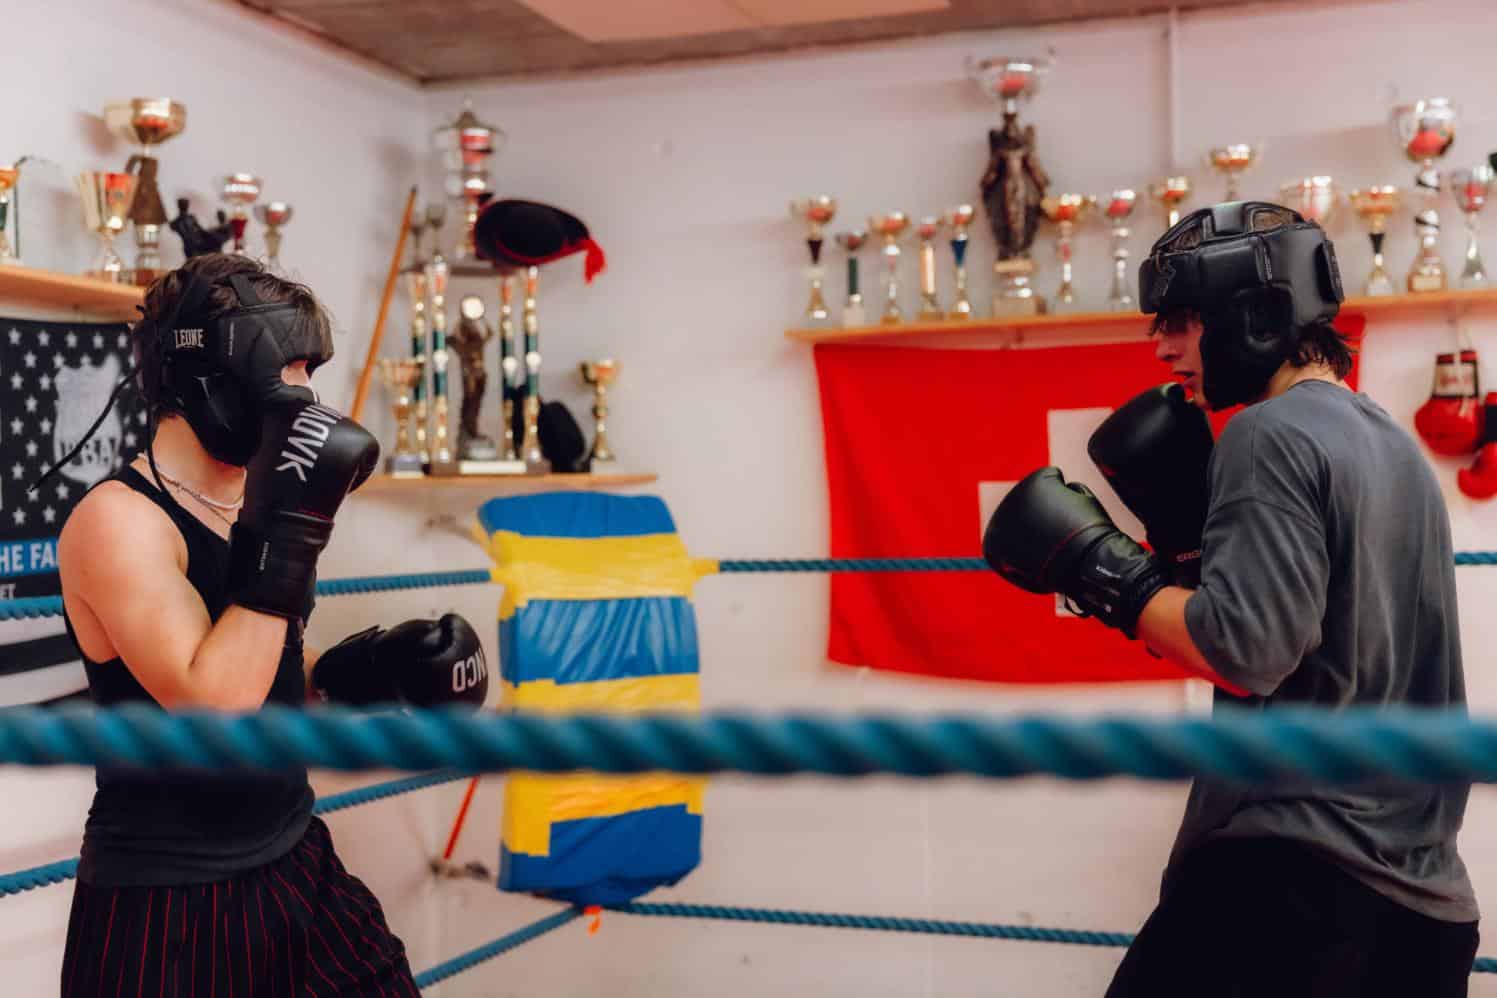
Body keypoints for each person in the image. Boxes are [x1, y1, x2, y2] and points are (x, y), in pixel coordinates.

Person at [982, 202, 1479, 997]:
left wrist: (1095, 567)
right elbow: (1312, 636)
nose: (1161, 345)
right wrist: (1185, 550)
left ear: (1252, 315)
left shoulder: (1268, 434)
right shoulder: (1385, 441)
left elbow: (1245, 651)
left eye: (1180, 318)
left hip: (1292, 889)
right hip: (1422, 912)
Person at [53, 253, 489, 996]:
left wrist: (361, 668)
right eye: (285, 369)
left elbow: (262, 655)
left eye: (308, 369)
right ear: (211, 381)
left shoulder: (250, 495)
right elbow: (216, 700)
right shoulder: (117, 521)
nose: (306, 394)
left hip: (293, 853)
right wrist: (292, 534)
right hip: (170, 905)